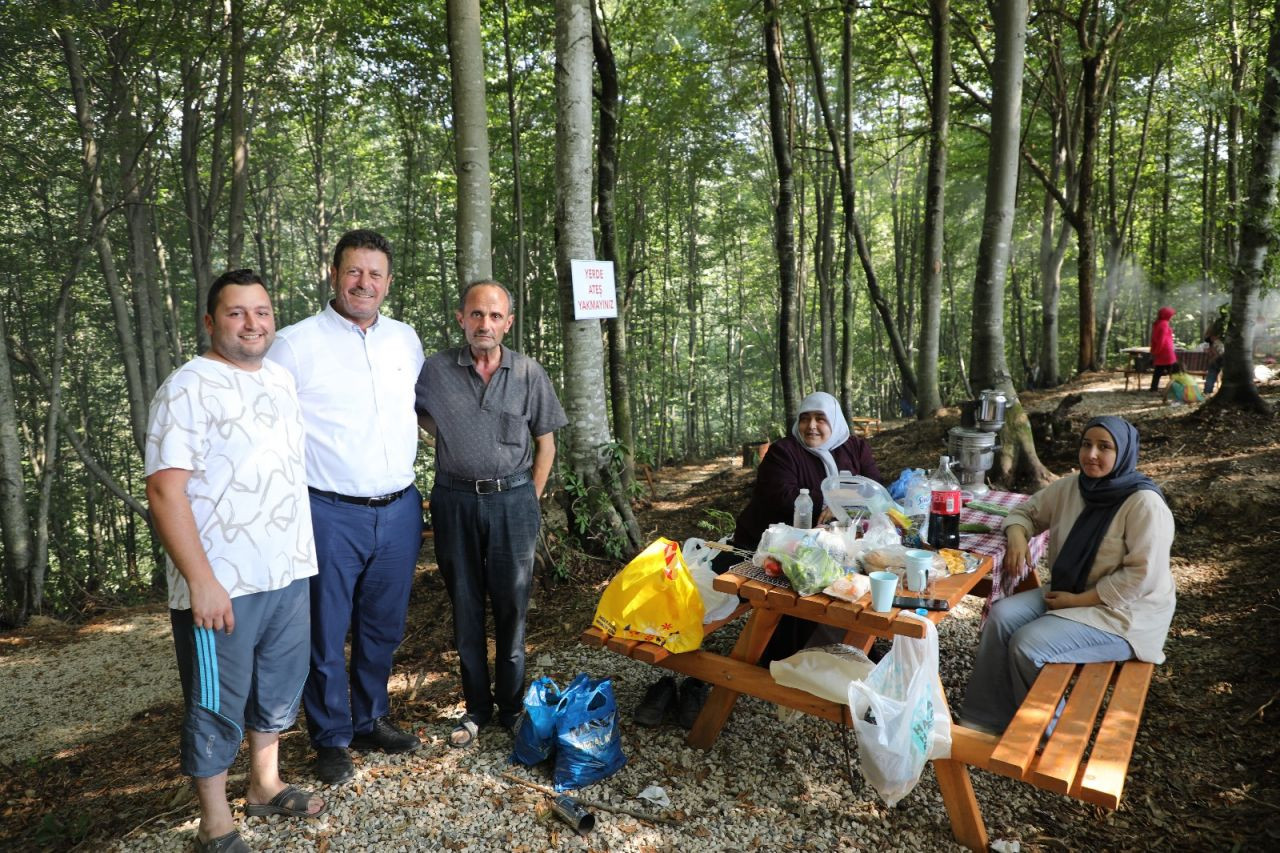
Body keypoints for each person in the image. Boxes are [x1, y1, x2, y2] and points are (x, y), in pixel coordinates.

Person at [145, 269, 325, 853]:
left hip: (288, 570)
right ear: (210, 322)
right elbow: (166, 491)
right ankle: (215, 824)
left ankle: (265, 786)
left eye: (262, 312)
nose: (253, 323)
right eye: (237, 313)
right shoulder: (187, 387)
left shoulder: (278, 380)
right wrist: (201, 581)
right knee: (216, 699)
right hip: (223, 582)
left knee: (276, 687)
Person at [267, 230, 425, 786]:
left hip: (400, 507)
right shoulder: (293, 343)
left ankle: (369, 718)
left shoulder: (406, 340)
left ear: (387, 281)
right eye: (354, 272)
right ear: (333, 275)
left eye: (375, 274)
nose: (364, 283)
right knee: (325, 631)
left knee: (383, 627)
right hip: (328, 510)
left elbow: (419, 413)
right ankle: (330, 736)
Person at [633, 391, 882, 729]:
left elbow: (872, 489)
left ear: (834, 421)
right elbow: (782, 498)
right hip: (768, 548)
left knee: (848, 589)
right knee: (802, 592)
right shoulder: (784, 452)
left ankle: (829, 656)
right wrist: (837, 504)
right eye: (805, 418)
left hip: (834, 548)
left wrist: (847, 507)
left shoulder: (854, 448)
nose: (811, 426)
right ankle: (778, 661)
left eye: (820, 419)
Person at [414, 280, 568, 749]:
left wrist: (529, 499)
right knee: (464, 605)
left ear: (508, 322)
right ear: (461, 318)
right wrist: (445, 436)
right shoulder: (435, 371)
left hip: (514, 502)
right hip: (454, 501)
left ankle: (512, 708)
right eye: (476, 314)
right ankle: (477, 708)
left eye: (495, 316)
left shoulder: (528, 372)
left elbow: (547, 442)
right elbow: (415, 415)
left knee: (511, 608)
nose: (485, 324)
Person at [957, 415, 1176, 735]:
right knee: (1001, 615)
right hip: (1069, 592)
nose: (1092, 455)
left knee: (1028, 644)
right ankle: (984, 720)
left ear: (1124, 453)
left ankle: (1053, 734)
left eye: (1105, 447)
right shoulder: (1072, 487)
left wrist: (1078, 600)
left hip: (1124, 614)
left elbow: (1142, 578)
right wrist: (1018, 535)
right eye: (1086, 444)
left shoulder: (1144, 504)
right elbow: (1024, 513)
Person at [1149, 306, 1177, 392]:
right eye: (1171, 315)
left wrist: (1154, 350)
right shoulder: (1164, 324)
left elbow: (1154, 338)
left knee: (1158, 371)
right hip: (1165, 351)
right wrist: (1156, 351)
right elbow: (1161, 339)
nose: (1172, 317)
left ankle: (1153, 388)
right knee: (1173, 371)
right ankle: (1177, 387)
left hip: (1161, 351)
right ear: (1167, 315)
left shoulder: (1158, 323)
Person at [1203, 329, 1225, 396]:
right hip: (1218, 361)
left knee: (1211, 376)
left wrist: (1212, 359)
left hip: (1217, 361)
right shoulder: (1215, 343)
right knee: (1211, 376)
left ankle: (1207, 391)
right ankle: (1207, 391)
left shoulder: (1218, 343)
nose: (1209, 338)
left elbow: (1220, 354)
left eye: (1210, 336)